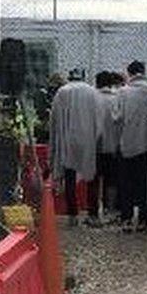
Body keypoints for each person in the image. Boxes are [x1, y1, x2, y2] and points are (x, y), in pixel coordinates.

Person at [49, 68, 100, 227]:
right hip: (88, 139)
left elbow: (54, 118)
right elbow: (99, 116)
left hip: (67, 138)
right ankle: (93, 213)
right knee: (92, 177)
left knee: (69, 177)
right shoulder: (92, 92)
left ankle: (72, 214)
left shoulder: (62, 92)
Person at [114, 60, 147, 232]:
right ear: (144, 71)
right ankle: (144, 219)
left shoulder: (123, 92)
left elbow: (116, 118)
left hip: (127, 144)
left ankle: (127, 218)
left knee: (126, 183)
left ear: (129, 73)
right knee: (144, 182)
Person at [92, 71, 123, 223]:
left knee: (94, 180)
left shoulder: (91, 98)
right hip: (113, 145)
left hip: (94, 146)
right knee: (112, 180)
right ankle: (110, 210)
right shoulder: (117, 98)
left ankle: (93, 213)